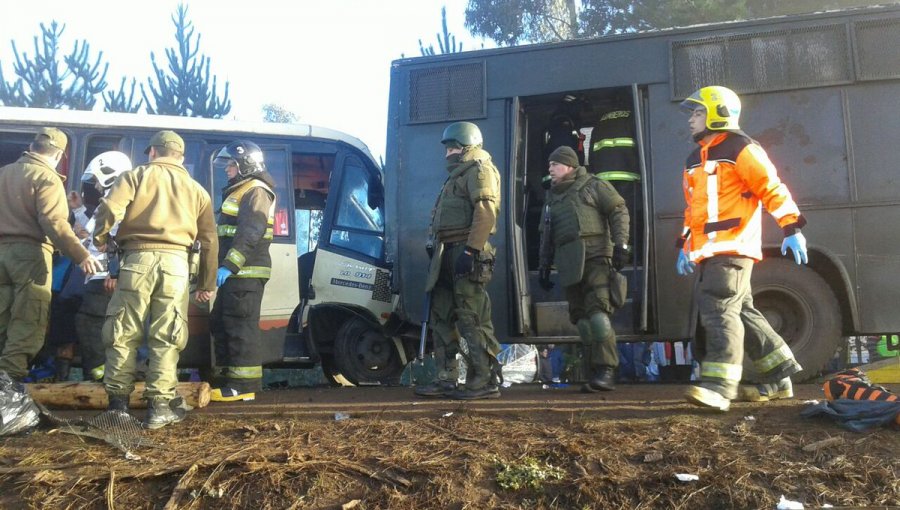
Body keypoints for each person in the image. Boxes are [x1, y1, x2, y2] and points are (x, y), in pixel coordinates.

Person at [676, 85, 807, 412]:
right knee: (742, 310)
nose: (691, 119)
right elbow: (693, 210)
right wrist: (684, 244)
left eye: (697, 112)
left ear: (718, 114)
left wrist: (791, 227)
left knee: (719, 308)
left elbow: (771, 186)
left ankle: (719, 388)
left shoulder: (741, 148)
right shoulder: (695, 159)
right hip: (709, 250)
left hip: (733, 246)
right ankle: (778, 379)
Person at [92, 130, 218, 429]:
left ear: (151, 152)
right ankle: (159, 408)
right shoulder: (198, 190)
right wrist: (206, 283)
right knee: (168, 335)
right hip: (176, 265)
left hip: (136, 261)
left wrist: (99, 237)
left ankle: (118, 408)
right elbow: (210, 239)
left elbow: (110, 208)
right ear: (181, 157)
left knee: (123, 331)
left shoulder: (134, 177)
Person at [0, 128, 102, 382]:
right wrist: (81, 255)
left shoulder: (4, 173)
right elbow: (53, 222)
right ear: (59, 154)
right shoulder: (47, 178)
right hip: (31, 256)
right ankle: (8, 389)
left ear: (33, 146)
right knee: (28, 321)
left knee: (3, 317)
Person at [415, 121, 503, 400]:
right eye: (446, 148)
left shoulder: (480, 171)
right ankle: (447, 378)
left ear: (467, 147)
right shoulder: (455, 177)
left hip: (466, 251)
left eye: (452, 147)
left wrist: (471, 250)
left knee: (471, 317)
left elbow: (486, 212)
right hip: (446, 252)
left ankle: (484, 379)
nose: (447, 153)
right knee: (442, 315)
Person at [537, 145, 630, 392]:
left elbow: (618, 210)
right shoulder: (552, 197)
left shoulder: (593, 185)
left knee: (598, 316)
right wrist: (544, 266)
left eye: (554, 164)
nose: (550, 169)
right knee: (583, 322)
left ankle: (606, 370)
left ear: (569, 165)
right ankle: (594, 372)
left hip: (596, 257)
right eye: (549, 165)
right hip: (569, 263)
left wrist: (621, 245)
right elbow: (547, 235)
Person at [208, 140, 277, 402]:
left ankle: (243, 386)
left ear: (245, 165)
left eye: (232, 163)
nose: (227, 168)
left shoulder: (256, 191)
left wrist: (229, 265)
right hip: (236, 274)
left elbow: (251, 232)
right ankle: (226, 379)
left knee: (241, 327)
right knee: (220, 322)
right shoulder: (241, 189)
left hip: (245, 272)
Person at [75, 151, 133, 382]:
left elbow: (118, 240)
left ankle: (102, 373)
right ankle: (103, 373)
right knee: (99, 324)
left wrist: (114, 272)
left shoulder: (116, 204)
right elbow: (92, 237)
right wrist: (79, 214)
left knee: (90, 322)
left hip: (104, 276)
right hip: (98, 275)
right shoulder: (108, 202)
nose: (95, 185)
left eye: (98, 179)